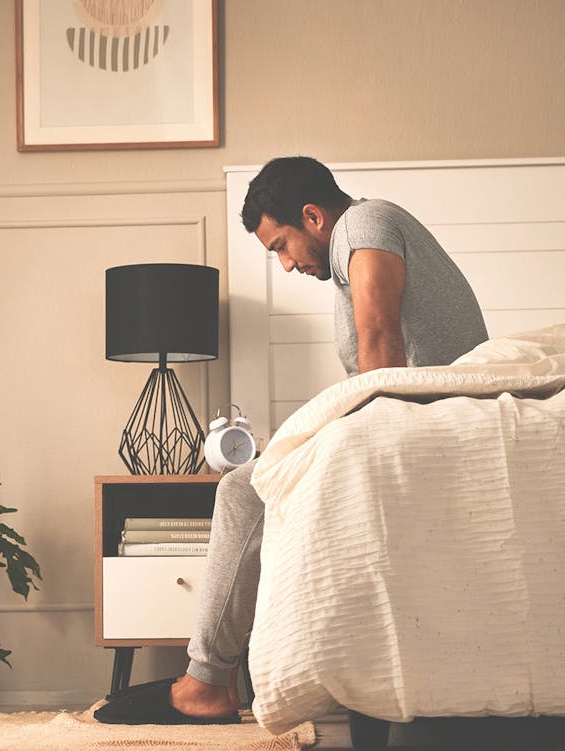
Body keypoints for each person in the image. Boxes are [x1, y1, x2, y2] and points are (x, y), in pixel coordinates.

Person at [94, 156, 488, 725]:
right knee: (257, 479)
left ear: (313, 217)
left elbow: (381, 343)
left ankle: (207, 684)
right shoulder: (363, 235)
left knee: (240, 491)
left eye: (281, 245)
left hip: (422, 431)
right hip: (417, 421)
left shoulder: (364, 224)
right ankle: (214, 677)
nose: (284, 265)